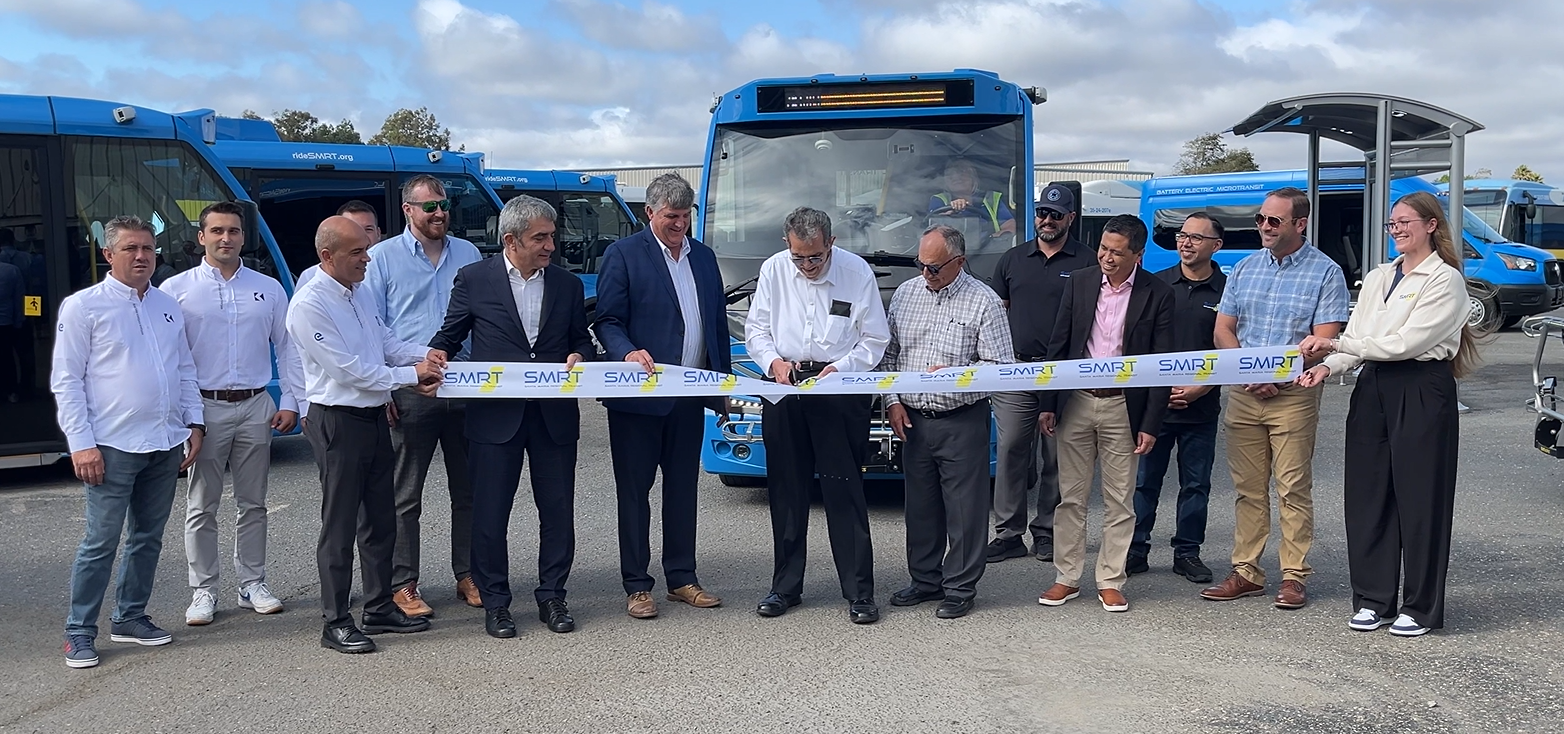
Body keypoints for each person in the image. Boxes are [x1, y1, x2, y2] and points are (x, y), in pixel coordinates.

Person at [1296, 191, 1474, 637]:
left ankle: (1420, 605)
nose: (1396, 231)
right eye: (1392, 224)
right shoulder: (1378, 276)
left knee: (1420, 498)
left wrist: (1335, 346)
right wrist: (1327, 366)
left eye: (1404, 223)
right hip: (1373, 384)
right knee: (1369, 494)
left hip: (1420, 385)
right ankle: (1373, 599)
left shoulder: (1445, 279)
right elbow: (1359, 336)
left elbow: (1405, 344)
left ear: (1431, 225)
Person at [430, 195, 594, 638]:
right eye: (540, 238)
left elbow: (583, 339)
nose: (551, 246)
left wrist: (581, 352)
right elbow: (449, 334)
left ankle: (553, 596)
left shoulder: (568, 285)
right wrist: (434, 356)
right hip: (494, 419)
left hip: (553, 417)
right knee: (490, 513)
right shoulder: (474, 280)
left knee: (557, 511)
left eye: (552, 236)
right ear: (511, 239)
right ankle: (497, 603)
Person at [287, 216, 446, 654]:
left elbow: (385, 341)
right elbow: (348, 371)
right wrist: (410, 376)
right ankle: (336, 620)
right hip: (337, 420)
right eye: (356, 252)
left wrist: (424, 353)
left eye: (366, 248)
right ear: (327, 256)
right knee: (339, 526)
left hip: (374, 417)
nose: (367, 257)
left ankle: (378, 605)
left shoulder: (358, 292)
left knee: (380, 518)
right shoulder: (309, 305)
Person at [53, 215, 204, 669]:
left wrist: (193, 424)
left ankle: (131, 616)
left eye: (149, 249)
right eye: (131, 249)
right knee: (100, 541)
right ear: (108, 254)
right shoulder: (84, 307)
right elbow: (67, 381)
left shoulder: (166, 305)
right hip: (111, 445)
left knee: (147, 537)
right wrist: (81, 443)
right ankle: (79, 631)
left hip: (163, 441)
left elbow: (183, 369)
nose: (142, 257)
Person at [1200, 187, 1349, 610]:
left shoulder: (1326, 272)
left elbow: (1324, 340)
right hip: (1245, 396)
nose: (1264, 227)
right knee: (1248, 489)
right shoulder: (1244, 268)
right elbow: (1223, 331)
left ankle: (1294, 576)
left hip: (1294, 397)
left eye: (1274, 220)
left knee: (1292, 488)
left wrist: (1276, 376)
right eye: (1260, 219)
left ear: (1299, 224)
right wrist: (1251, 374)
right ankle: (1246, 571)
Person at [593, 173, 731, 620]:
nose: (679, 224)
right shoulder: (623, 255)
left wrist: (722, 387)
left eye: (685, 215)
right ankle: (637, 585)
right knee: (634, 492)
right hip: (638, 400)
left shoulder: (705, 258)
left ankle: (682, 578)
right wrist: (627, 351)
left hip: (689, 397)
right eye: (671, 216)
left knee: (683, 490)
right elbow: (607, 319)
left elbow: (716, 326)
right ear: (649, 212)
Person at [160, 202, 304, 626]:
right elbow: (171, 358)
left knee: (253, 502)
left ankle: (252, 583)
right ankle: (203, 590)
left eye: (234, 231)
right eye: (217, 231)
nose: (227, 238)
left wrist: (292, 401)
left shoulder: (269, 289)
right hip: (203, 407)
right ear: (201, 236)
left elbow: (289, 347)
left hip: (256, 404)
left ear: (244, 237)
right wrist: (185, 417)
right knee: (201, 504)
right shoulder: (176, 290)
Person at [745, 207, 890, 624]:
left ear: (831, 242)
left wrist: (841, 369)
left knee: (844, 492)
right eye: (799, 257)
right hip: (784, 385)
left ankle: (859, 592)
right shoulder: (773, 270)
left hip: (838, 389)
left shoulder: (856, 272)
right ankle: (785, 587)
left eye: (815, 257)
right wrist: (773, 362)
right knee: (786, 492)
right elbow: (756, 329)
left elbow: (875, 338)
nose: (808, 266)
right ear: (787, 246)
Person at [1036, 214, 1174, 613]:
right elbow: (1058, 346)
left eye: (1117, 252)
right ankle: (1066, 577)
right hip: (1076, 400)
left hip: (1123, 406)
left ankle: (1111, 579)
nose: (1107, 258)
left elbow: (1163, 363)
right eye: (1103, 249)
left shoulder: (1158, 293)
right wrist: (1048, 403)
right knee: (1070, 497)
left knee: (1119, 499)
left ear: (1138, 254)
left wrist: (1150, 422)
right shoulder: (1079, 282)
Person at [362, 175, 483, 618]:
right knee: (404, 494)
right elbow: (373, 331)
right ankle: (403, 583)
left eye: (444, 205)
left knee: (470, 489)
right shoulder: (381, 259)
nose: (439, 213)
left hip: (467, 387)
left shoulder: (468, 254)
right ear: (408, 209)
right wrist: (386, 388)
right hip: (411, 389)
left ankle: (469, 574)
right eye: (428, 206)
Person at [882, 225, 1013, 619]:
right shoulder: (905, 294)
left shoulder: (984, 302)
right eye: (920, 265)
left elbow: (1001, 367)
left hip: (960, 419)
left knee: (964, 509)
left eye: (935, 268)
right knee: (920, 507)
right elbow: (887, 356)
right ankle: (925, 580)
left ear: (960, 261)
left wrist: (959, 373)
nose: (926, 274)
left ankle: (959, 586)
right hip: (913, 419)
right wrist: (891, 402)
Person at [987, 183, 1096, 564]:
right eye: (1041, 213)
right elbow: (997, 310)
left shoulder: (1087, 261)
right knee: (1011, 449)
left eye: (1055, 214)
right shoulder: (1013, 259)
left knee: (1056, 457)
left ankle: (1047, 531)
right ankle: (1008, 533)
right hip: (1016, 370)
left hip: (1064, 374)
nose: (1046, 220)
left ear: (1071, 218)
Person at [1127, 212, 1227, 584]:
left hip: (1201, 406)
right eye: (1182, 236)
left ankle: (1187, 552)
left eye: (1196, 238)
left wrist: (1204, 386)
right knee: (1144, 482)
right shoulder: (1156, 285)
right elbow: (1140, 343)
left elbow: (1231, 349)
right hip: (1157, 406)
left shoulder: (1226, 291)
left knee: (1196, 484)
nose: (1185, 243)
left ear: (1216, 246)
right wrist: (1158, 388)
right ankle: (1135, 550)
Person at [297, 201, 382, 291]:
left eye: (368, 229)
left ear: (378, 233)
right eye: (352, 230)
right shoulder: (309, 278)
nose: (361, 235)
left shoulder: (392, 266)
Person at [927, 159, 1016, 236]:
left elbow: (1010, 226)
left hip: (988, 251)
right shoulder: (938, 200)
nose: (956, 177)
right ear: (945, 181)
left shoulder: (992, 198)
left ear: (973, 177)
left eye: (962, 172)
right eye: (950, 174)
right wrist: (951, 211)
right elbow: (932, 228)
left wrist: (996, 238)